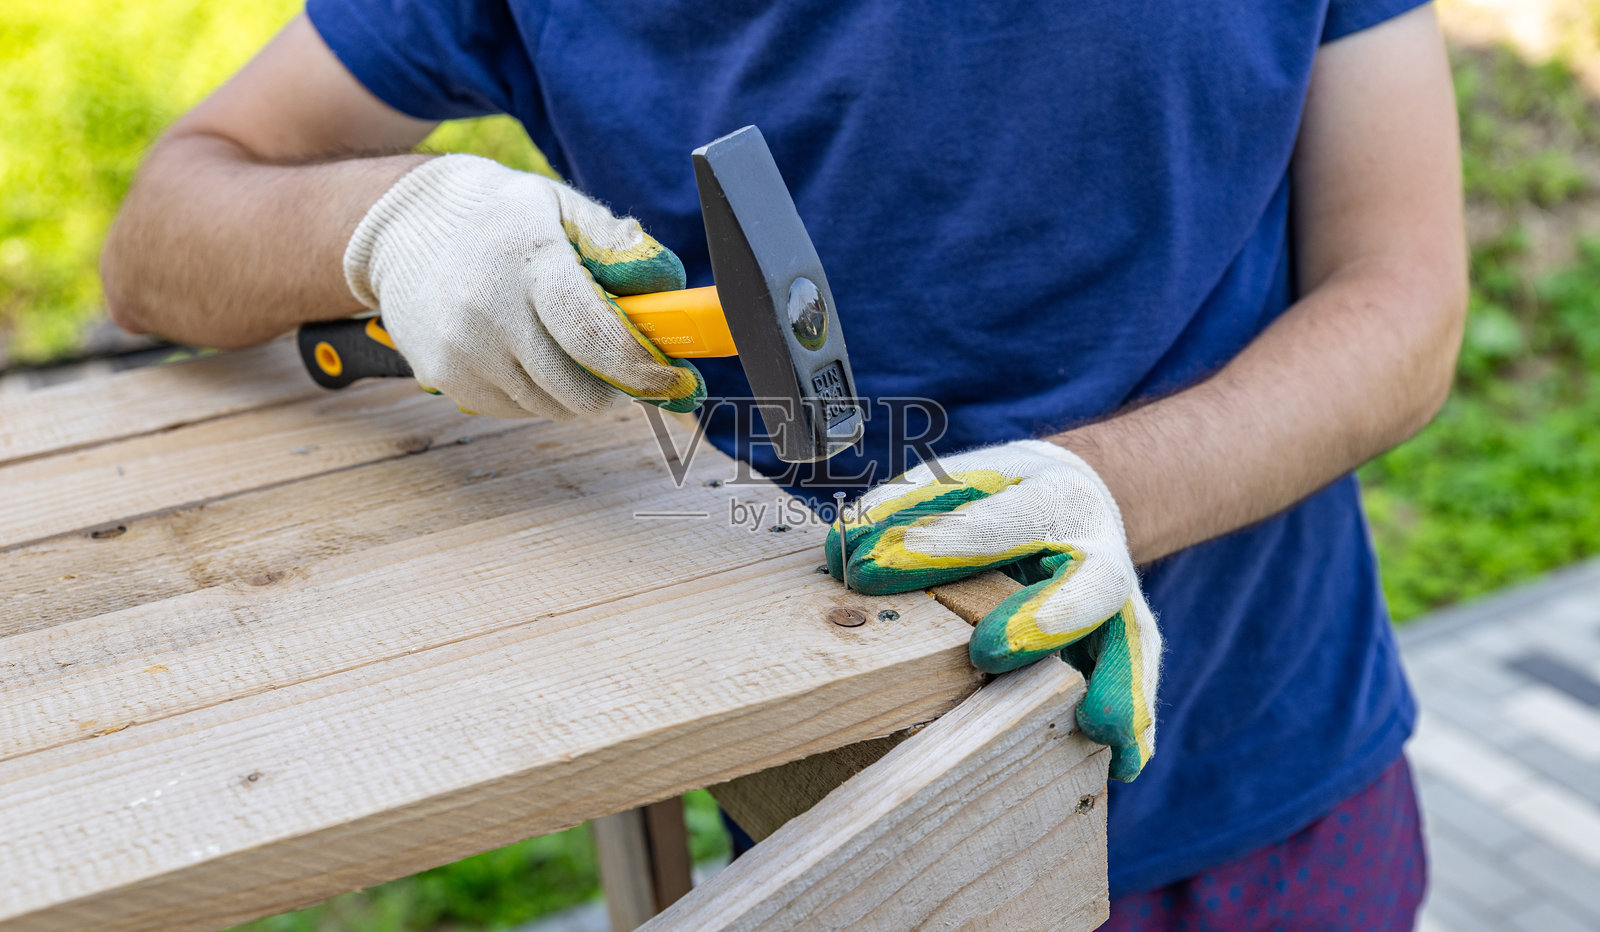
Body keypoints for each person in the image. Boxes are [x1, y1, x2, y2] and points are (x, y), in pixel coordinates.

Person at [100, 1, 1465, 926]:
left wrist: (1116, 484)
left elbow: (1404, 299)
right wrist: (386, 226)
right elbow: (160, 232)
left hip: (1275, 774)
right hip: (857, 812)